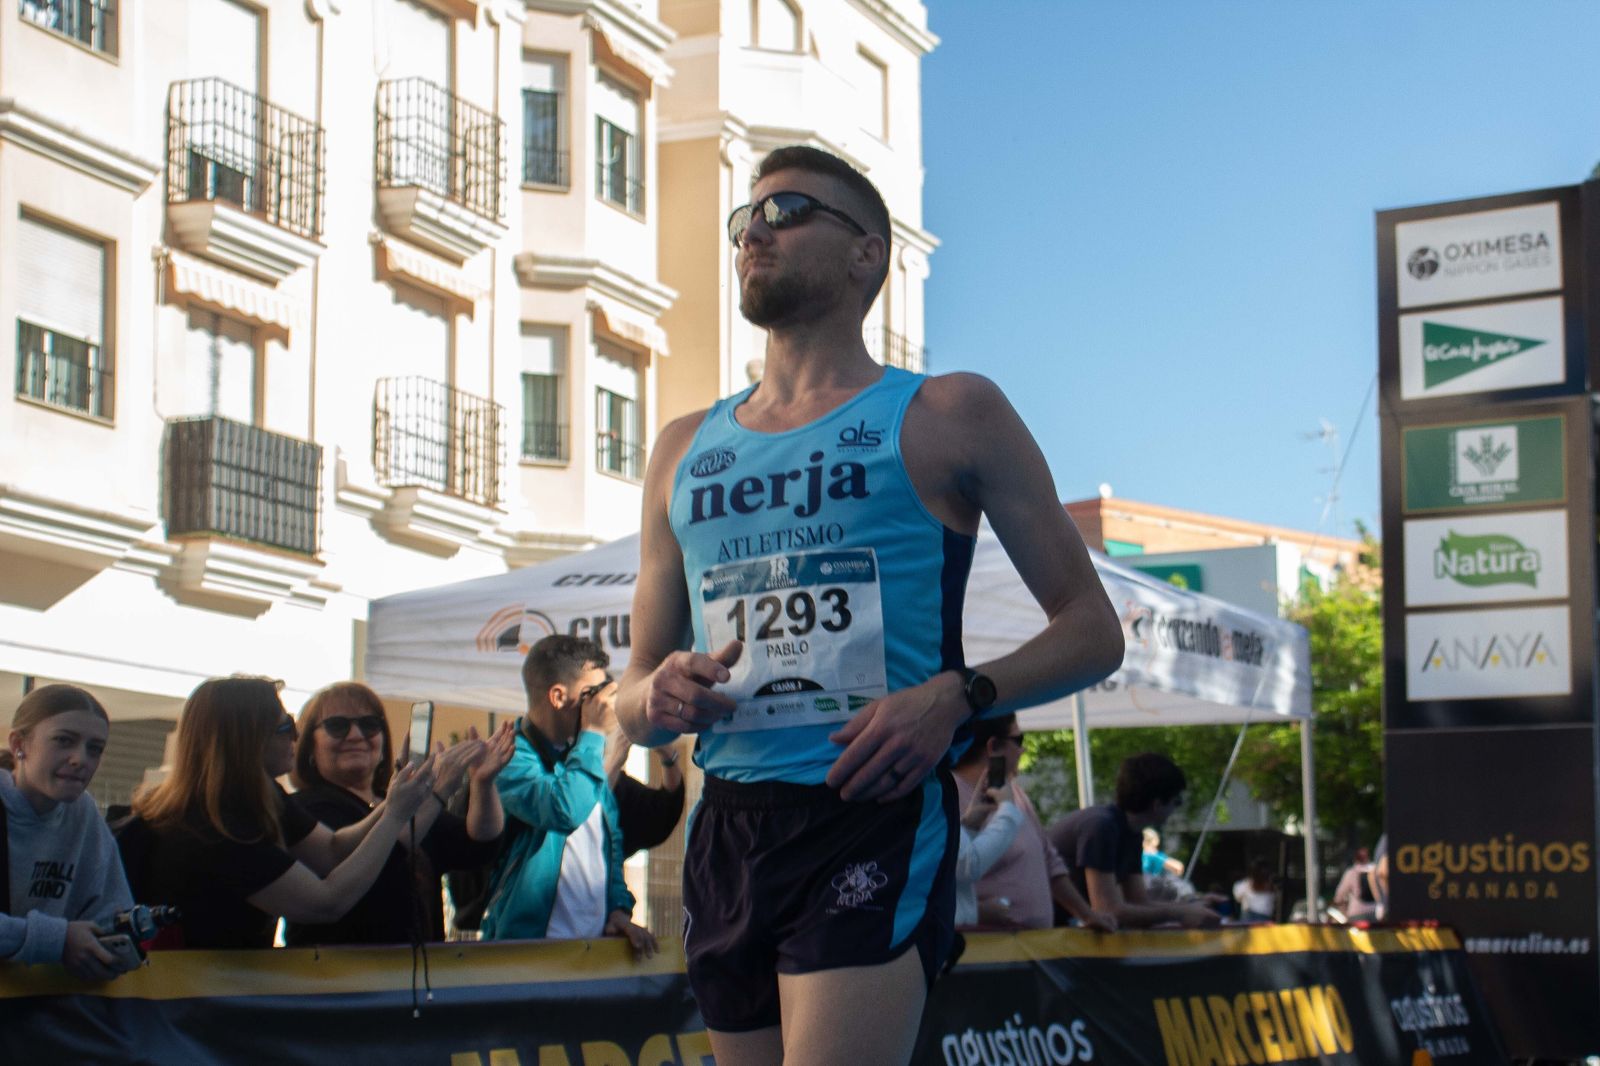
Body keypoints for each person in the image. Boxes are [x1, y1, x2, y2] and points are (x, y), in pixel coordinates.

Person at [616, 144, 1123, 1066]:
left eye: (788, 211)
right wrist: (656, 699)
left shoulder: (948, 411)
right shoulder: (682, 447)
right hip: (726, 825)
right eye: (746, 220)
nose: (754, 233)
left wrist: (958, 696)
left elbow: (1093, 633)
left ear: (868, 254)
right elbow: (632, 697)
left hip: (866, 808)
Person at [123, 676, 436, 949]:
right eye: (285, 727)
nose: (296, 737)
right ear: (248, 739)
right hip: (192, 999)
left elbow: (332, 849)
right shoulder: (213, 827)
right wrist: (395, 813)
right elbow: (326, 903)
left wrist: (394, 798)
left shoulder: (257, 794)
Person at [284, 682, 514, 945]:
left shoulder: (405, 800)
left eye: (369, 724)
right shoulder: (305, 808)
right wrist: (437, 790)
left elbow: (478, 845)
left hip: (413, 974)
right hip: (338, 972)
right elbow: (382, 860)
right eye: (338, 725)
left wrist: (482, 783)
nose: (356, 735)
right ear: (309, 747)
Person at [480, 635, 655, 957]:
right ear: (558, 696)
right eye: (592, 694)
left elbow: (610, 845)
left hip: (591, 951)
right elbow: (564, 810)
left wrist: (618, 910)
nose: (602, 704)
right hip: (524, 952)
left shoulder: (582, 755)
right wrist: (594, 734)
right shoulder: (510, 756)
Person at [1, 684, 138, 981]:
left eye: (94, 749)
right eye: (64, 741)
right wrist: (58, 940)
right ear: (18, 744)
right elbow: (65, 939)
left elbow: (112, 911)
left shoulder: (83, 814)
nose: (80, 759)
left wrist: (110, 948)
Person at [951, 715, 1114, 932]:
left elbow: (1049, 860)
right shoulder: (947, 797)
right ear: (993, 746)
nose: (1023, 750)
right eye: (1019, 740)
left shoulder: (1014, 793)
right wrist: (975, 911)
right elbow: (958, 867)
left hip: (1032, 949)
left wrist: (1087, 915)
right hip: (982, 950)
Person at [1047, 752, 1222, 929]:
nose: (1176, 809)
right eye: (1177, 802)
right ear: (1157, 803)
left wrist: (1191, 905)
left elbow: (1138, 902)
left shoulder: (1130, 833)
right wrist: (1181, 913)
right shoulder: (1102, 827)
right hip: (1033, 928)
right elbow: (1109, 910)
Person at [603, 730, 686, 859]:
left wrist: (669, 756)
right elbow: (579, 817)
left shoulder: (622, 790)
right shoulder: (565, 776)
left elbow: (665, 812)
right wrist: (613, 764)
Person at [1330, 846, 1378, 923]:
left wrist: (1338, 903)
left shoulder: (1351, 872)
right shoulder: (1375, 871)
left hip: (1357, 914)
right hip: (1375, 912)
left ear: (1355, 858)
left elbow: (1339, 895)